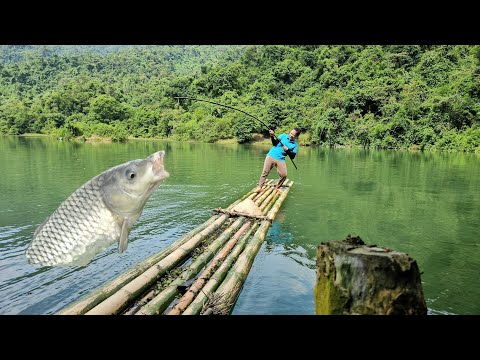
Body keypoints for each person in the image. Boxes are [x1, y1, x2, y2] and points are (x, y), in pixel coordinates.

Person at [255, 127, 302, 193]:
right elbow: (274, 143)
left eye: (293, 135)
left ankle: (277, 187)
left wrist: (287, 150)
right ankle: (260, 187)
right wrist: (272, 136)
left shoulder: (295, 145)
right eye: (291, 133)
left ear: (296, 136)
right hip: (271, 155)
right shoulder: (283, 136)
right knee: (265, 172)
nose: (291, 135)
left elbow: (292, 156)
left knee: (284, 175)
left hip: (281, 159)